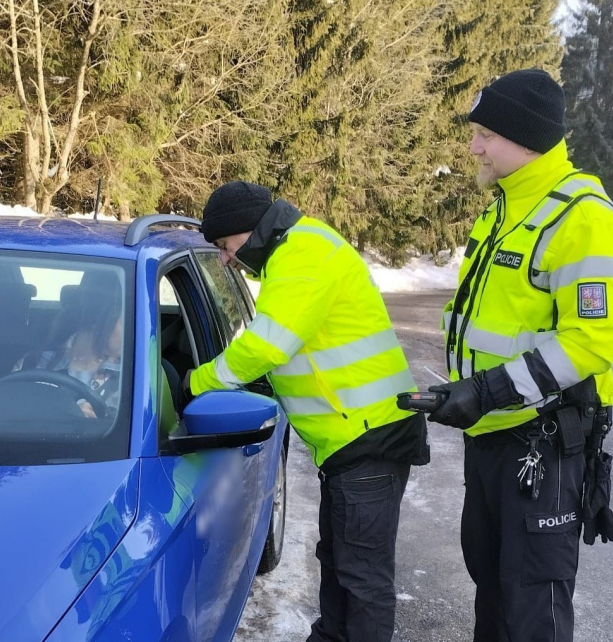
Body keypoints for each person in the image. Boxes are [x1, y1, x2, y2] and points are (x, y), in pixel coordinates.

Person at [426, 69, 613, 641]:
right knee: (490, 586)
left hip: (543, 444)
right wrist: (462, 391)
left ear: (526, 136)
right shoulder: (502, 210)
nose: (474, 146)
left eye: (486, 133)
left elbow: (589, 343)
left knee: (531, 605)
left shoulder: (582, 216)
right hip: (491, 436)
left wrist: (484, 390)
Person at [183, 181, 429, 642]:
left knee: (363, 579)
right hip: (350, 439)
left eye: (224, 245)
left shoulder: (302, 254)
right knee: (339, 563)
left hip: (370, 436)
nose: (225, 258)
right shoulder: (293, 252)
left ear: (248, 231)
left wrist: (194, 383)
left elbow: (266, 346)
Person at [14, 297, 123, 418]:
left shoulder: (129, 380)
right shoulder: (34, 363)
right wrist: (67, 414)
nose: (133, 330)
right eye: (126, 322)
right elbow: (10, 415)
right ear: (104, 319)